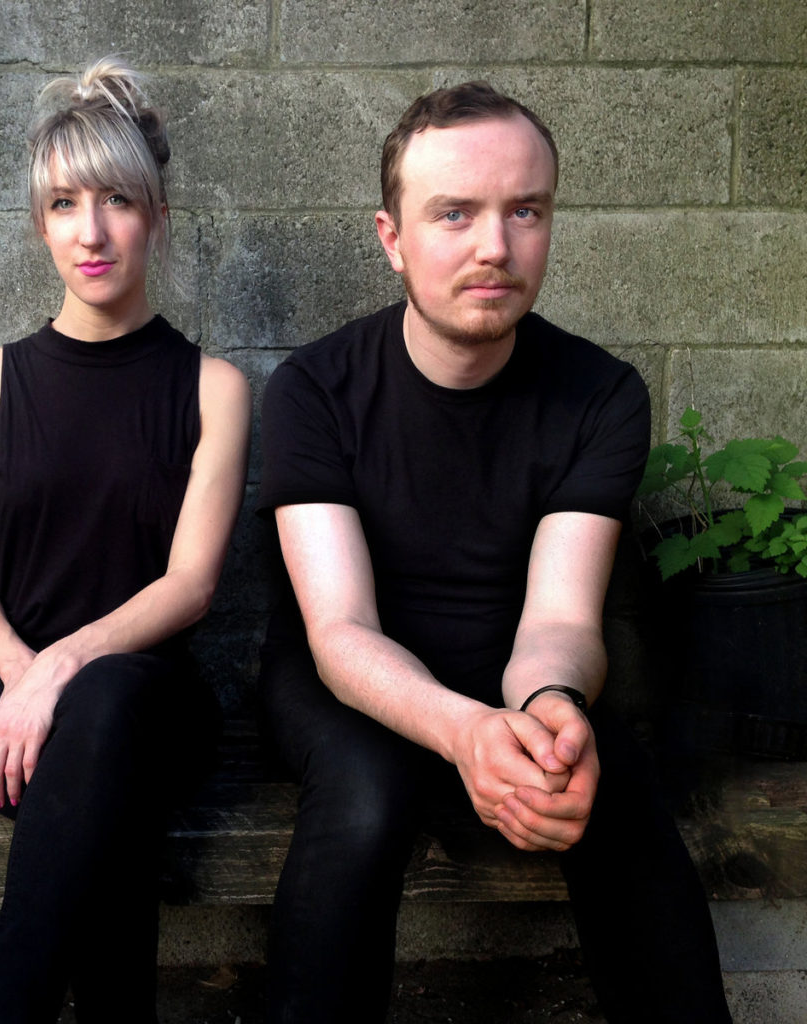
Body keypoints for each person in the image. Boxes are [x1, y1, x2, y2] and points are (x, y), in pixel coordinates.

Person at [257, 82, 732, 1023]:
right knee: (367, 792)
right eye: (454, 214)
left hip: (510, 669)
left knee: (603, 776)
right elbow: (340, 629)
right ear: (392, 238)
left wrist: (551, 709)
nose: (495, 247)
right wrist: (461, 731)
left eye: (525, 211)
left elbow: (560, 619)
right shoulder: (313, 389)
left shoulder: (601, 395)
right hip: (346, 683)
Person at [0, 56, 251, 1024]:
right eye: (66, 203)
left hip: (148, 693)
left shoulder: (214, 389)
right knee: (102, 794)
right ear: (42, 222)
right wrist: (20, 673)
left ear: (156, 215)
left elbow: (192, 584)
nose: (92, 230)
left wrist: (60, 670)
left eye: (118, 200)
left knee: (104, 711)